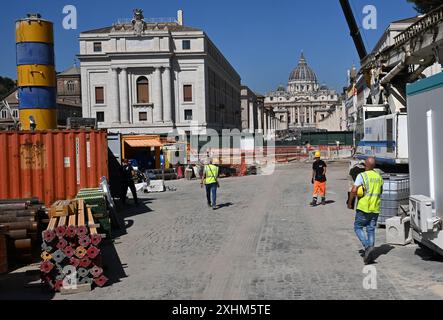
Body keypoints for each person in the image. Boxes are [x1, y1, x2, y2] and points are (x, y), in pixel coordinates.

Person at [348, 157, 384, 265]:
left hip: (364, 207)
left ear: (366, 165)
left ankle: (367, 247)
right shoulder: (378, 177)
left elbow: (354, 190)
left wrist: (350, 202)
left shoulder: (362, 176)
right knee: (371, 229)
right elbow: (381, 191)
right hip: (375, 208)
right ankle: (370, 255)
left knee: (358, 227)